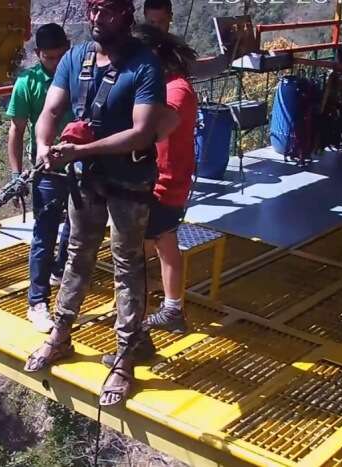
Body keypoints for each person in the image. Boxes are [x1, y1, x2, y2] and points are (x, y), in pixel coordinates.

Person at [23, 0, 165, 407]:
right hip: (87, 179)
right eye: (92, 9)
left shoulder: (145, 66)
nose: (96, 18)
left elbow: (141, 133)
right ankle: (62, 334)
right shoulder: (76, 59)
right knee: (76, 254)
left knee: (126, 263)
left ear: (126, 13)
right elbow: (50, 110)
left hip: (128, 180)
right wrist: (45, 146)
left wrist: (81, 152)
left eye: (106, 10)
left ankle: (124, 359)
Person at [132, 25, 199, 336]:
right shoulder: (171, 86)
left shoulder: (175, 91)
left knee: (139, 253)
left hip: (163, 182)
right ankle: (172, 308)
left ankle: (136, 324)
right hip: (169, 180)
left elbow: (152, 130)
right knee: (164, 241)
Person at [6, 23, 72, 333]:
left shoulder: (79, 75)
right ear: (38, 55)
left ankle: (60, 272)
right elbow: (17, 130)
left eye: (61, 56)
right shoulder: (27, 83)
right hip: (47, 170)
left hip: (82, 165)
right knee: (44, 234)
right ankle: (37, 301)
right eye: (49, 58)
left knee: (76, 229)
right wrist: (16, 173)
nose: (56, 64)